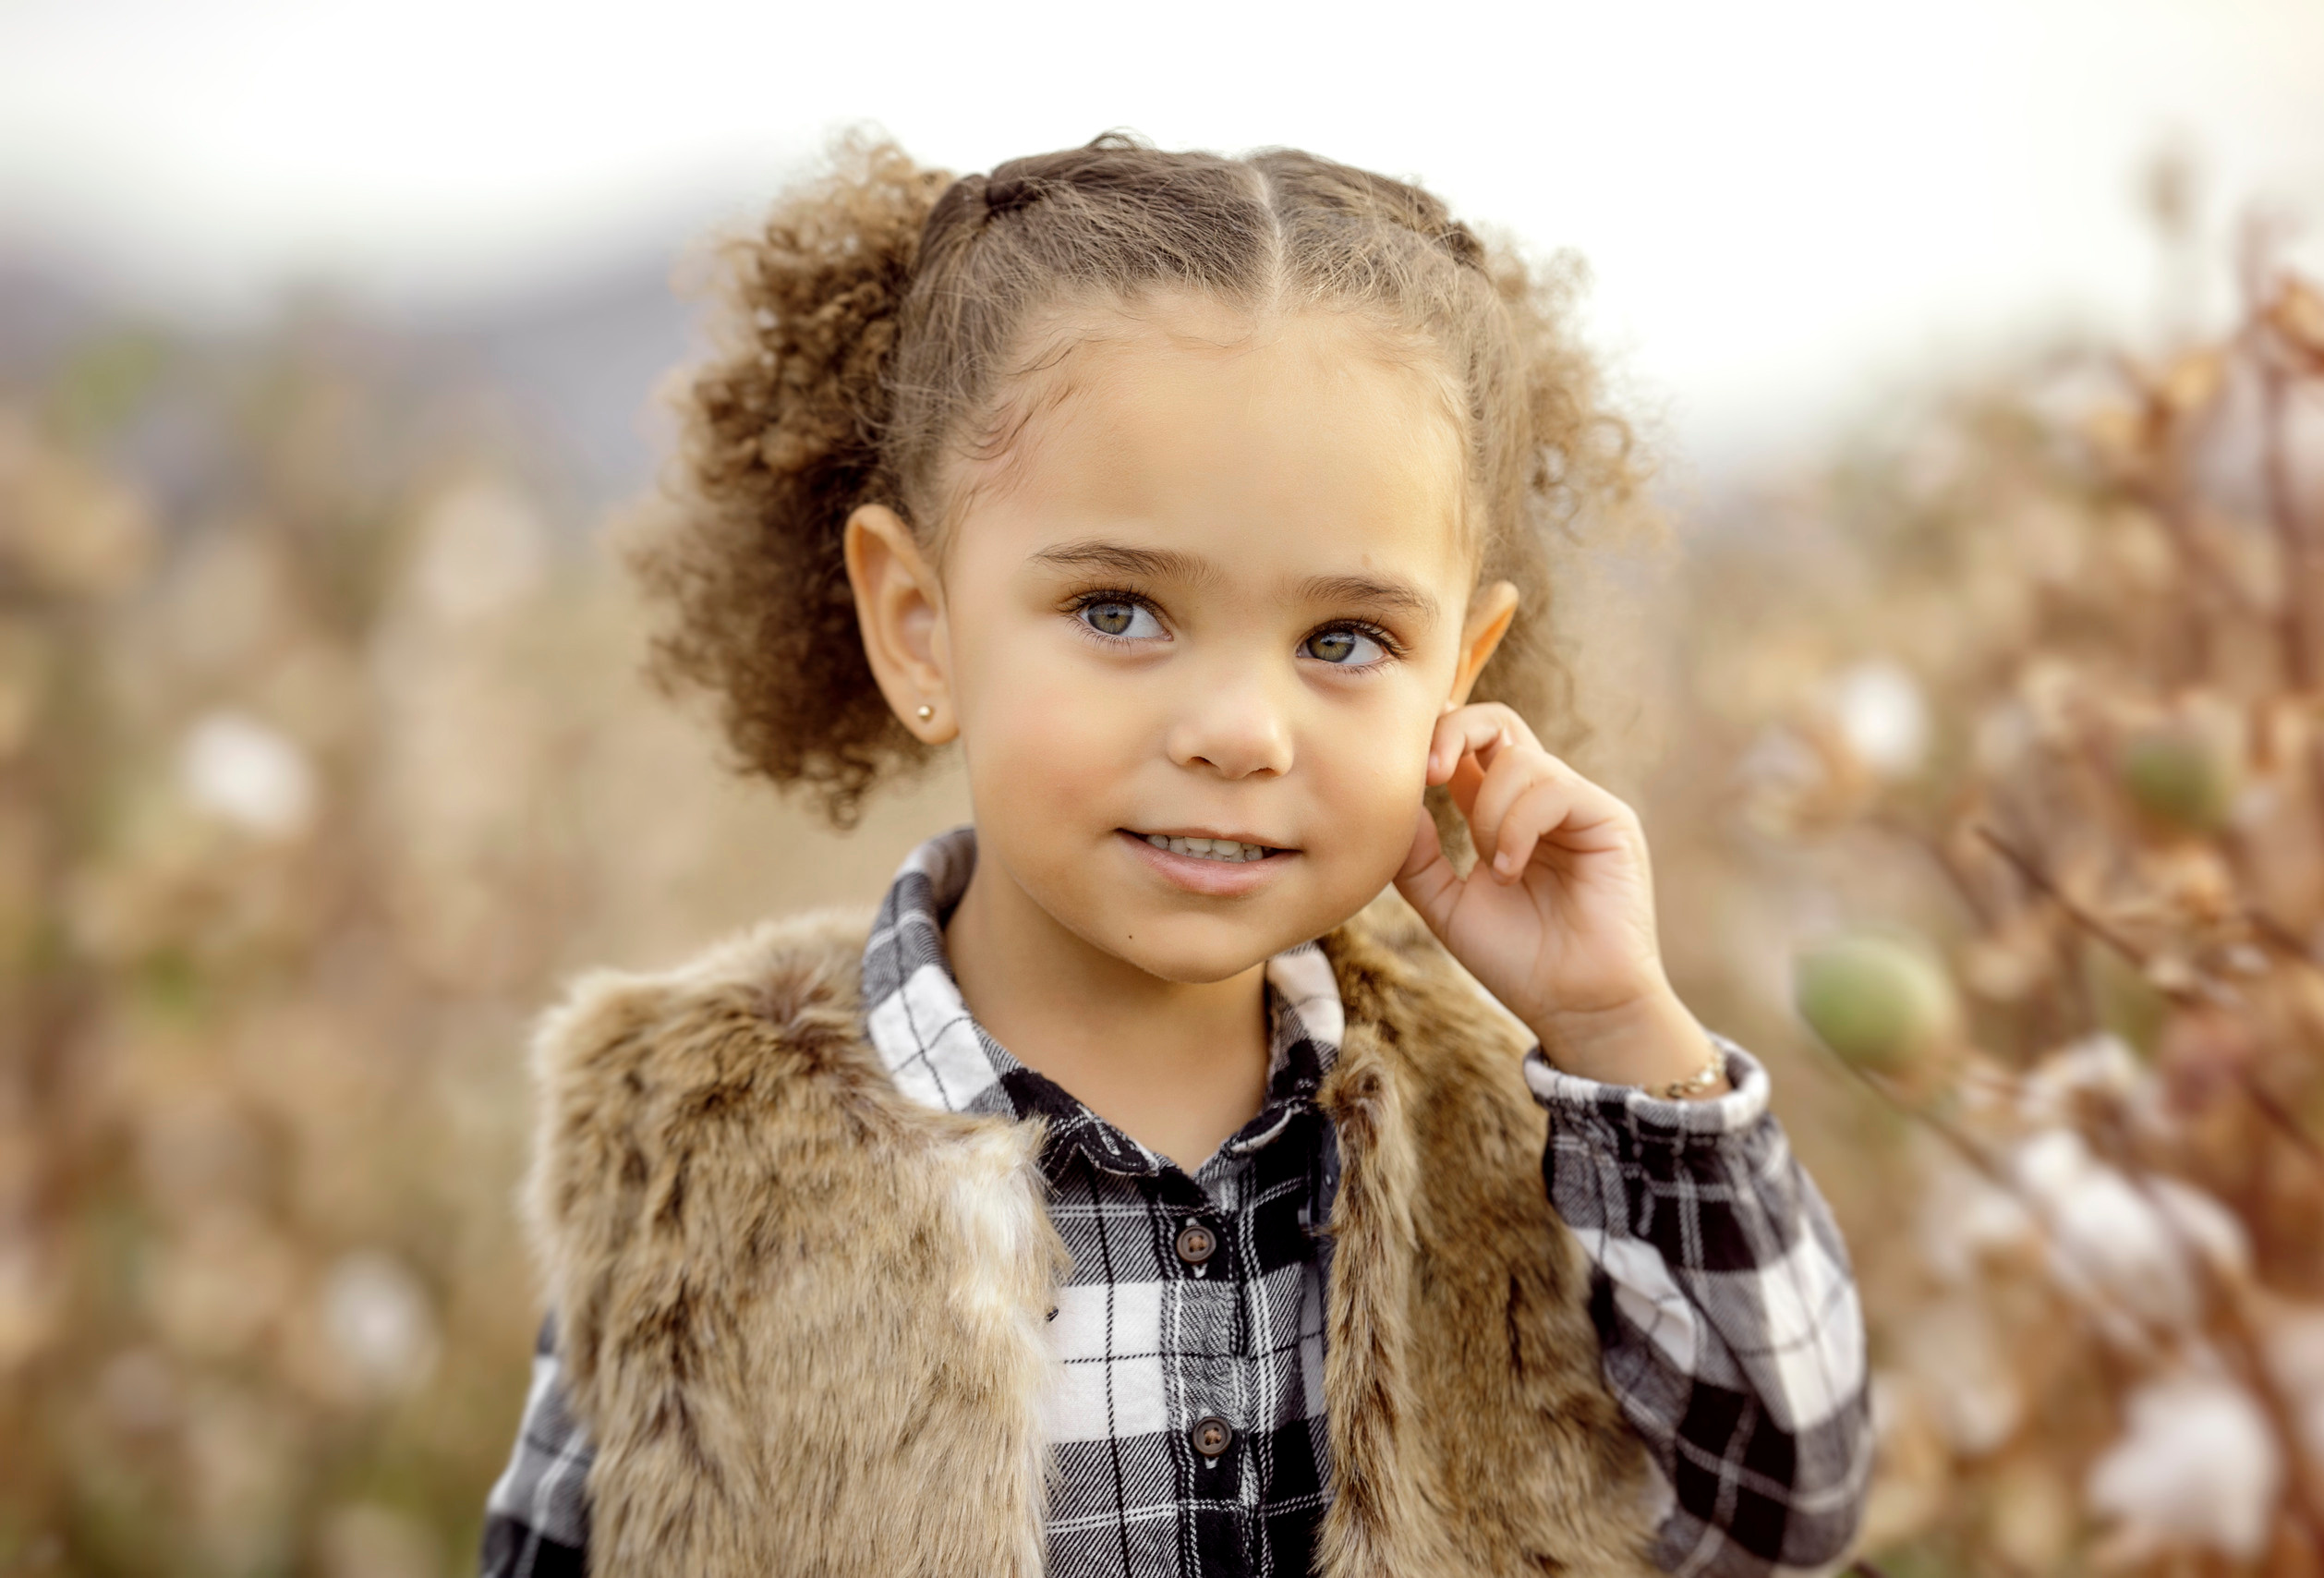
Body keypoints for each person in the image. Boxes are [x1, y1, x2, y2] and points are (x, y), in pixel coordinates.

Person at [478, 133, 1870, 1578]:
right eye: (1119, 611)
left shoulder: (1539, 1122)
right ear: (919, 623)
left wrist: (1616, 1029)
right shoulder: (689, 1150)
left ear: (1458, 677)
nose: (1237, 730)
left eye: (1346, 641)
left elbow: (1784, 1519)